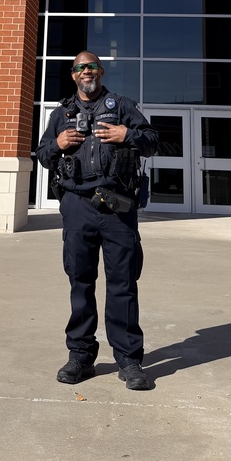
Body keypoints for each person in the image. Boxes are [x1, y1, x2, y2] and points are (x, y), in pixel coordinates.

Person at [36, 52, 159, 391]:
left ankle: (129, 360)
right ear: (73, 75)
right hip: (77, 206)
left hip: (117, 207)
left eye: (91, 66)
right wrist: (58, 143)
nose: (86, 71)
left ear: (101, 72)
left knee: (123, 284)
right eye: (80, 67)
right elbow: (43, 155)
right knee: (81, 283)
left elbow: (152, 141)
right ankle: (80, 355)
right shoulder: (62, 113)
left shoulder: (121, 106)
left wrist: (127, 135)